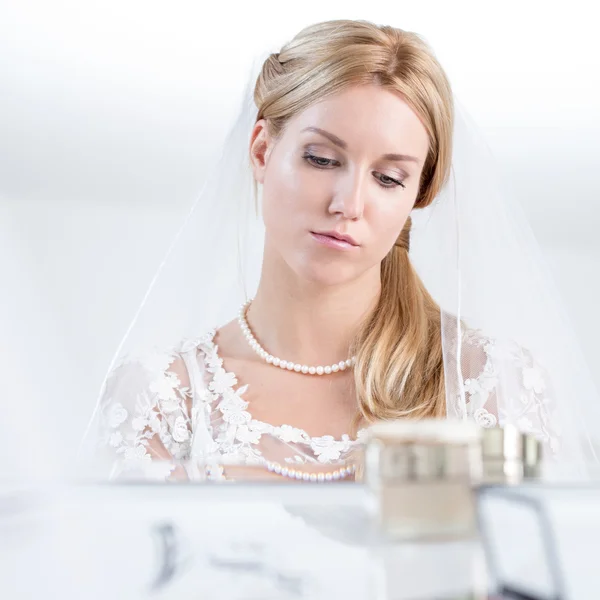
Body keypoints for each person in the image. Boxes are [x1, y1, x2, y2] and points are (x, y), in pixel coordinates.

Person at [78, 19, 600, 483]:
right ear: (262, 150)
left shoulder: (488, 385)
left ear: (417, 194)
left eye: (388, 178)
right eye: (322, 159)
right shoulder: (163, 398)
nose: (348, 204)